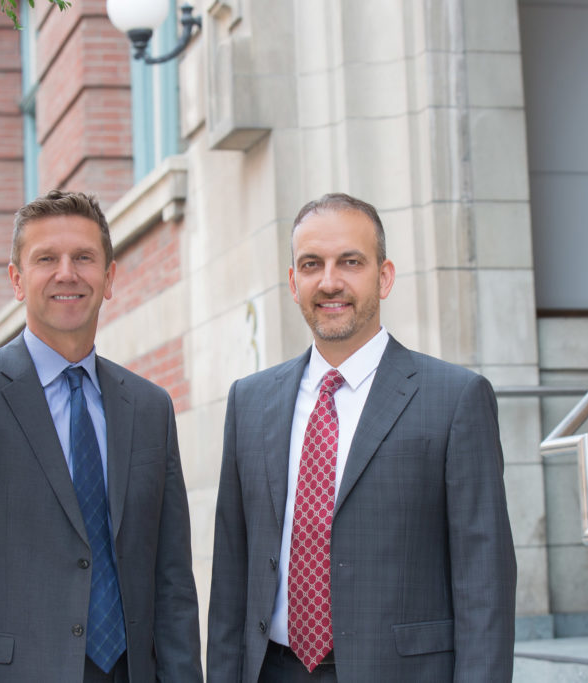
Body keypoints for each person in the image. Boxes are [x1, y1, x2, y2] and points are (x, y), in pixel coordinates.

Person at [207, 193, 517, 682]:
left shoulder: (455, 399)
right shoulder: (250, 402)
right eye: (312, 265)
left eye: (350, 262)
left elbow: (485, 585)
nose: (330, 282)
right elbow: (230, 575)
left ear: (384, 276)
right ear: (293, 282)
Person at [0, 190, 202, 683]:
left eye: (84, 258)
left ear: (108, 278)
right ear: (17, 280)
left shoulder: (149, 407)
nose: (67, 273)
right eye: (47, 259)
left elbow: (172, 577)